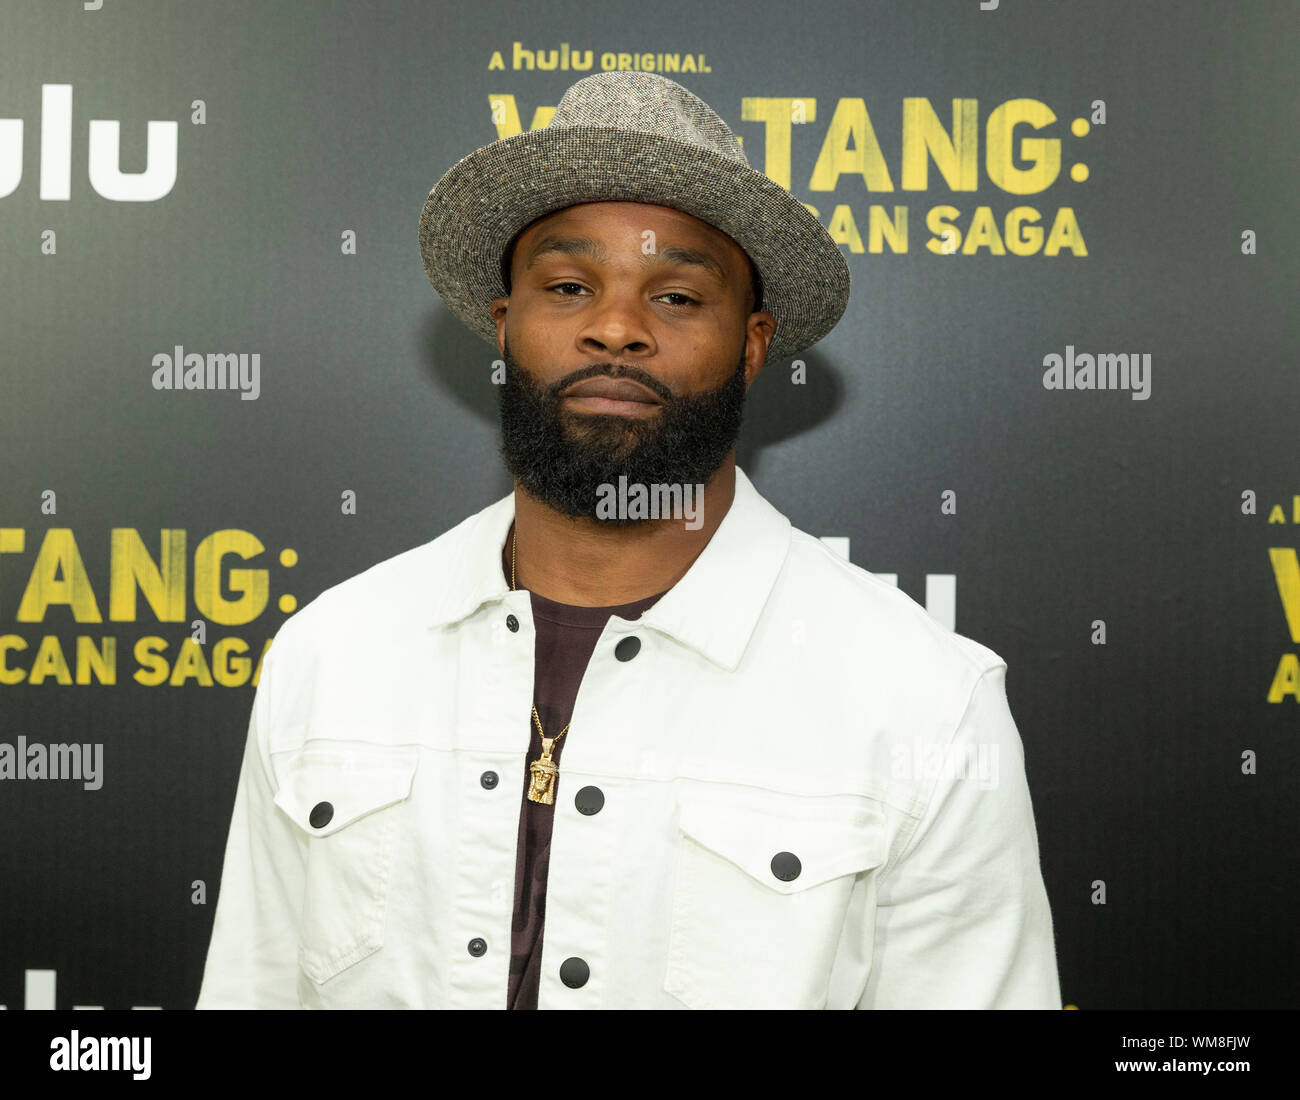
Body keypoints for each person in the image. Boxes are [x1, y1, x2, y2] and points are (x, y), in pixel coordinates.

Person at [196, 71, 1061, 1010]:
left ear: (754, 344)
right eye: (568, 286)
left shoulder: (924, 702)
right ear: (504, 325)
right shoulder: (334, 652)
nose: (615, 328)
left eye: (679, 298)